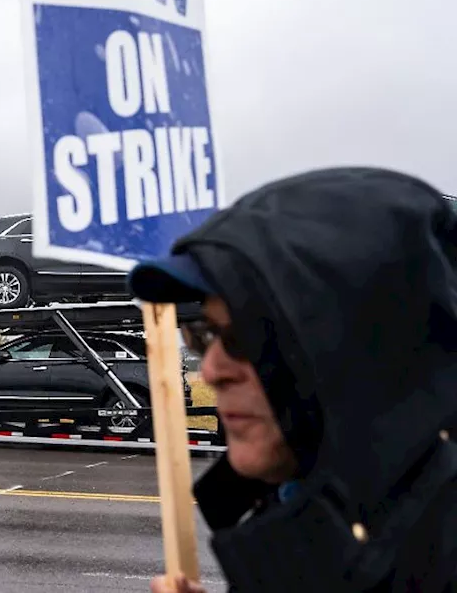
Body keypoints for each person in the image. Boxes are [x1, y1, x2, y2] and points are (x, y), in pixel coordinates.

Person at [124, 167, 457, 592]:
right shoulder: (306, 525)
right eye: (205, 336)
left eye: (245, 336)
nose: (211, 370)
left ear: (354, 346)